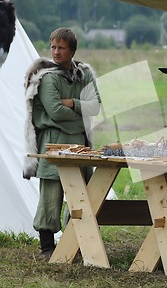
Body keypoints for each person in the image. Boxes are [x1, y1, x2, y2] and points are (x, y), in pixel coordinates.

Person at [23, 27, 101, 260]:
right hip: (53, 143)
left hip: (79, 144)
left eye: (62, 48)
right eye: (53, 47)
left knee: (79, 194)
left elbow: (95, 106)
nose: (56, 52)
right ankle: (47, 247)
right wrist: (79, 116)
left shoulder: (84, 74)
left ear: (72, 50)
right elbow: (55, 112)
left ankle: (73, 243)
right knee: (51, 194)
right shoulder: (47, 78)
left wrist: (73, 103)